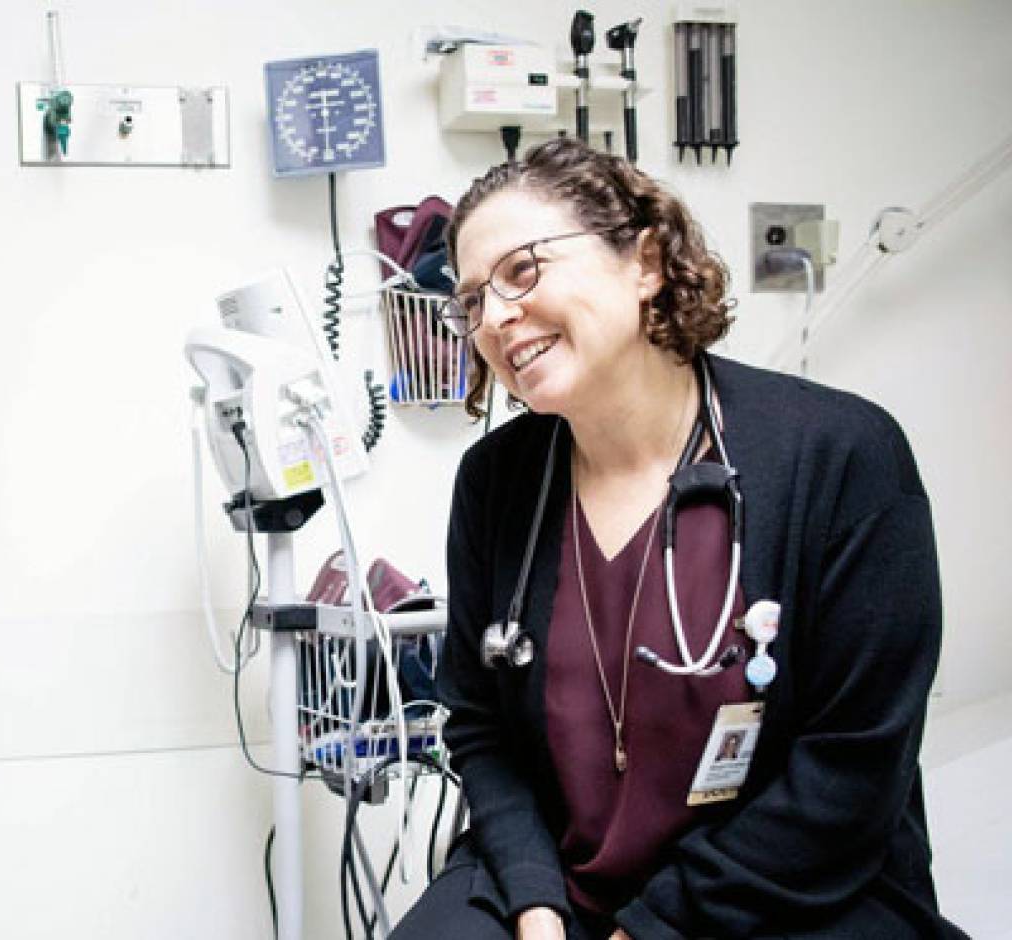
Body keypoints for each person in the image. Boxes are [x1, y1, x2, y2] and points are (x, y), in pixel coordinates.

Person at [392, 138, 961, 939]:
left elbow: (851, 768)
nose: (494, 318)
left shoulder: (839, 456)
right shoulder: (497, 481)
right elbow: (482, 729)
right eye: (473, 300)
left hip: (785, 888)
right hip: (563, 884)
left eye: (523, 271)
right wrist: (534, 902)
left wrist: (654, 927)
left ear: (647, 262)